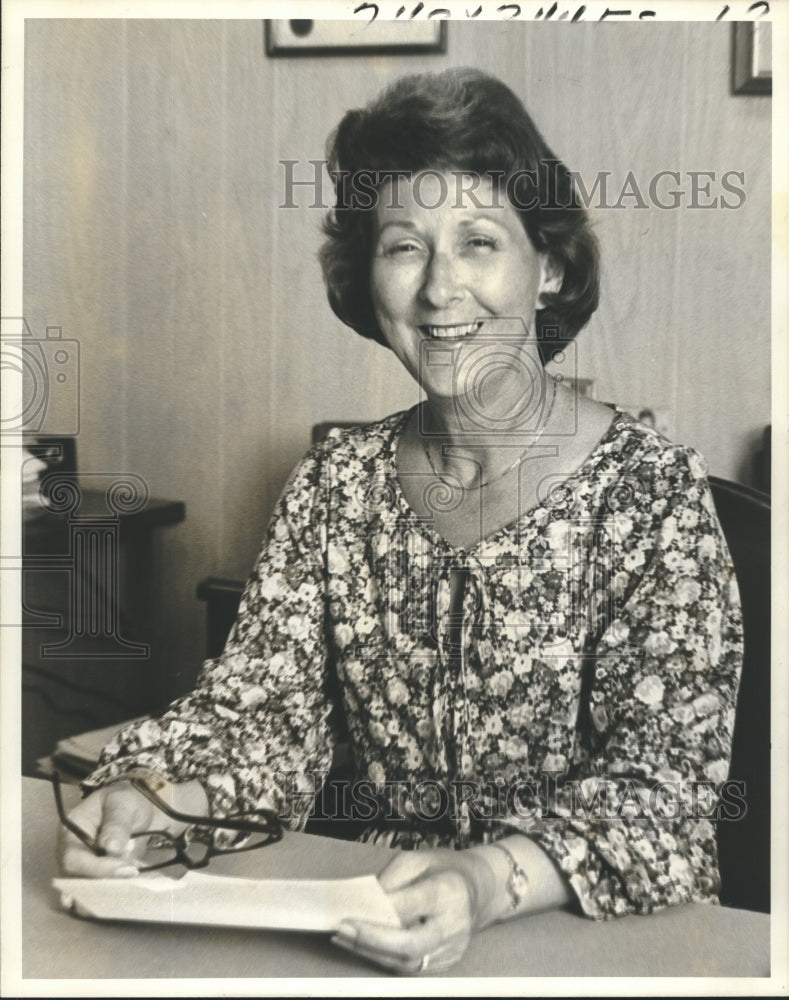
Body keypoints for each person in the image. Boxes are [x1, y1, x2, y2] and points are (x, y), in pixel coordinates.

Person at [57, 68, 743, 976]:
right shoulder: (335, 483)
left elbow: (662, 794)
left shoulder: (650, 494)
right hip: (370, 921)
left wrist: (482, 881)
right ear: (364, 280)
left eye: (478, 241)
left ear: (552, 267)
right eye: (404, 247)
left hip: (585, 934)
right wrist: (163, 799)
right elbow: (265, 721)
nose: (439, 289)